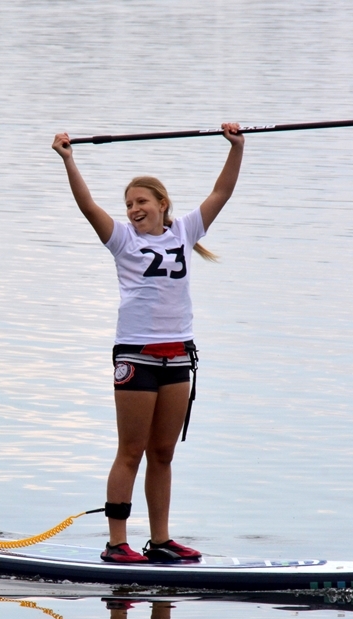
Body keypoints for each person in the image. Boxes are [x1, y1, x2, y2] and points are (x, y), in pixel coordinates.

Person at [52, 123, 244, 563]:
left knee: (162, 454)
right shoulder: (122, 240)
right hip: (136, 356)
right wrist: (69, 160)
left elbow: (222, 192)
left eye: (141, 202)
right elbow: (87, 206)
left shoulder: (186, 231)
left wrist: (236, 147)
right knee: (131, 452)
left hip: (177, 357)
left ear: (162, 204)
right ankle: (116, 544)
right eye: (128, 204)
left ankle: (160, 541)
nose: (134, 210)